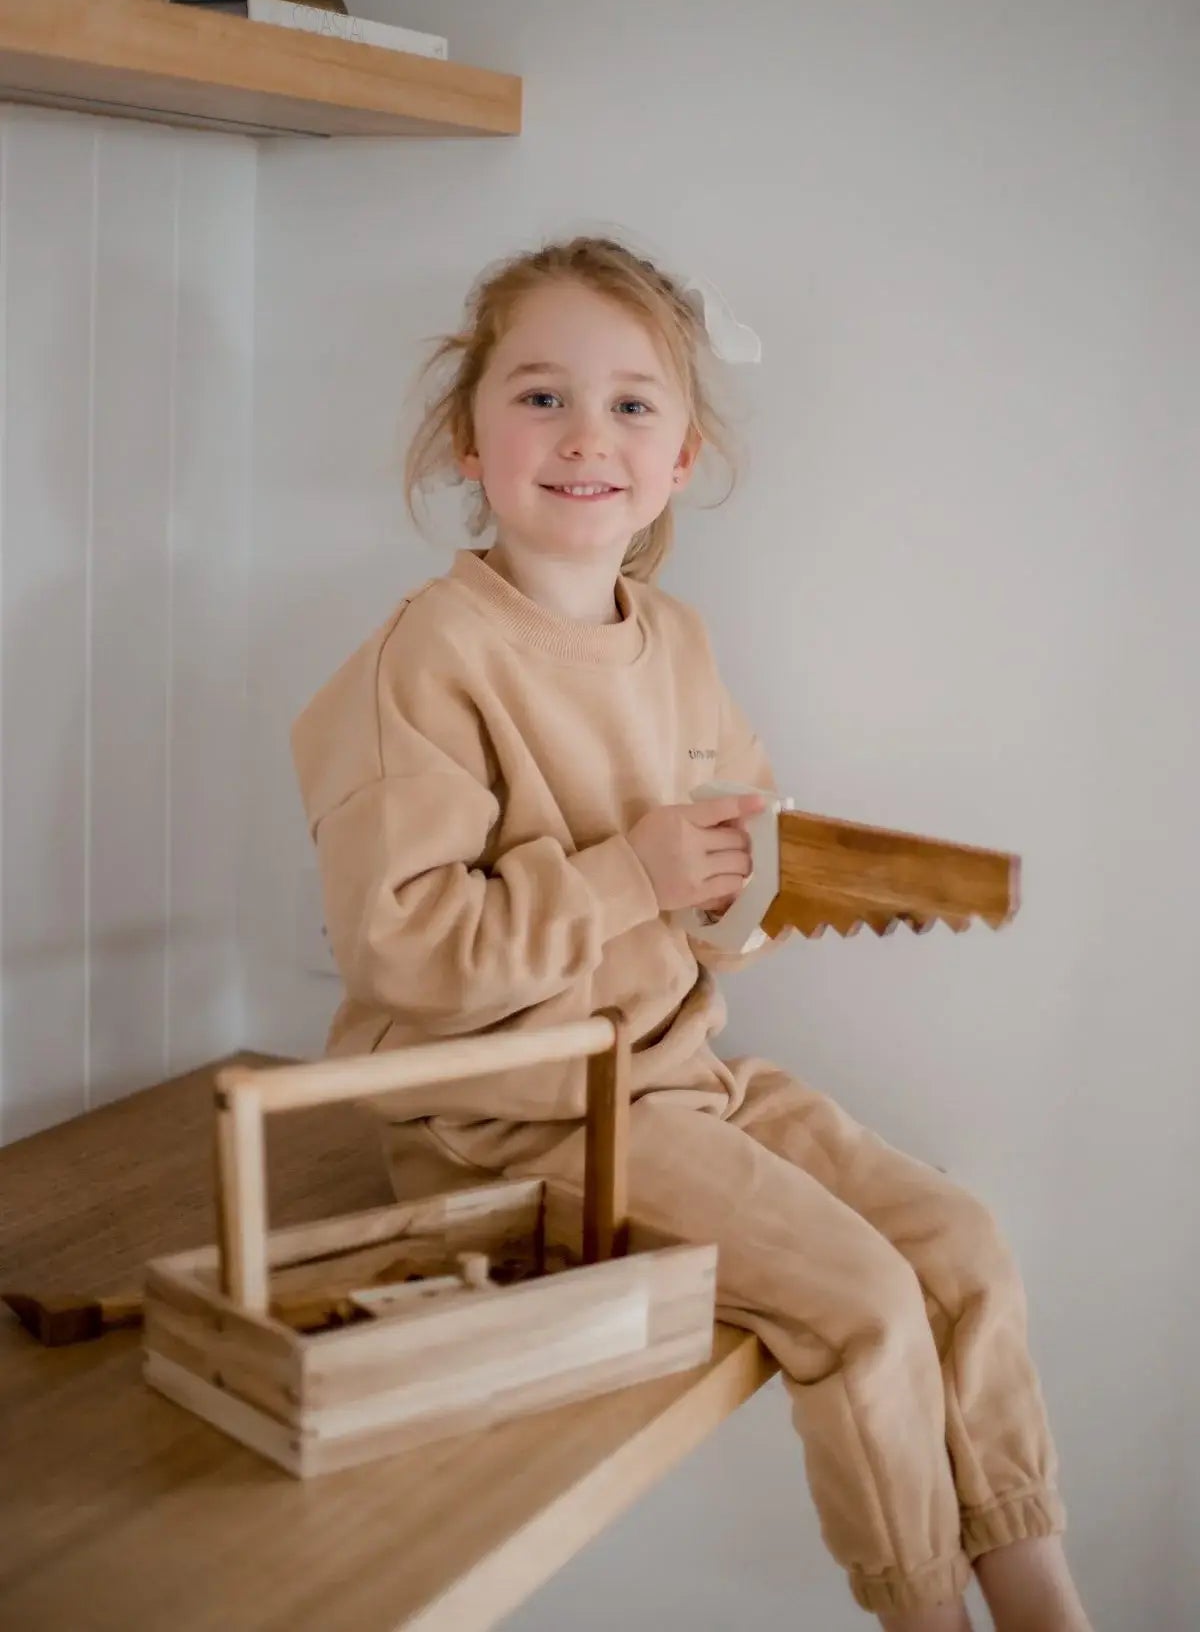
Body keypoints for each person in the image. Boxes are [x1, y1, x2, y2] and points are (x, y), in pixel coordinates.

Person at [290, 235, 1092, 1631]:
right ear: (466, 442)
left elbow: (726, 902)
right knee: (861, 1300)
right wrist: (630, 876)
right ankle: (926, 1614)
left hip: (675, 1076)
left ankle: (1042, 1602)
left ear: (679, 458)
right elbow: (402, 950)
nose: (586, 435)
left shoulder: (681, 642)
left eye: (632, 405)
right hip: (514, 1115)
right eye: (540, 397)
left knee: (957, 1246)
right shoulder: (429, 658)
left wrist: (738, 900)